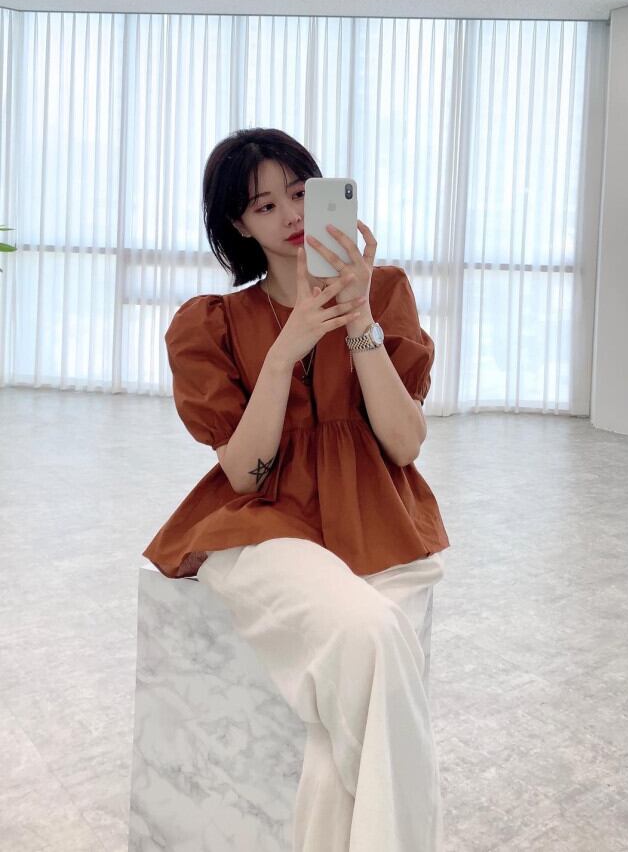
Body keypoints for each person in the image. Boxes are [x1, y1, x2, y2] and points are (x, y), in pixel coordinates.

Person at [142, 127, 451, 851]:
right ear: (238, 225)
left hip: (377, 519)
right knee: (374, 635)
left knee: (345, 727)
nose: (291, 214)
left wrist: (359, 319)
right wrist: (285, 351)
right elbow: (245, 473)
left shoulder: (386, 292)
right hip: (264, 523)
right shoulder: (213, 324)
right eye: (264, 205)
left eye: (300, 192)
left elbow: (404, 444)